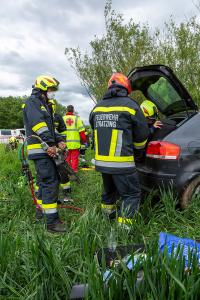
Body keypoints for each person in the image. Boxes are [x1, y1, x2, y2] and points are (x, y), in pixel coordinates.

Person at [89, 72, 149, 226]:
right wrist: (138, 153)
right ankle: (124, 230)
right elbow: (142, 136)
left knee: (109, 192)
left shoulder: (97, 107)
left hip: (102, 163)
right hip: (122, 163)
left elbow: (94, 129)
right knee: (131, 195)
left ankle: (107, 219)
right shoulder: (130, 105)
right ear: (126, 87)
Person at [23, 75, 67, 233]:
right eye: (52, 89)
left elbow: (51, 128)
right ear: (43, 88)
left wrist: (60, 139)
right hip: (41, 150)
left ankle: (40, 211)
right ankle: (52, 223)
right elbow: (39, 126)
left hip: (44, 149)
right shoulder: (33, 103)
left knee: (43, 182)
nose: (53, 92)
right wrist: (50, 145)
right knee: (50, 183)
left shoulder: (44, 104)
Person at [48, 99, 72, 202]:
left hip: (57, 148)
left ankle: (67, 195)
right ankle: (46, 197)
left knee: (63, 171)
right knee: (47, 173)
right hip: (46, 149)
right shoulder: (40, 117)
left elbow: (63, 131)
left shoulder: (57, 117)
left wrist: (62, 144)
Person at [62, 105, 87, 172]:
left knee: (67, 157)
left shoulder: (62, 118)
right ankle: (74, 170)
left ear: (66, 110)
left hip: (64, 142)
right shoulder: (77, 119)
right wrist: (84, 140)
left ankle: (68, 170)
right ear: (73, 110)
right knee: (74, 157)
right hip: (74, 142)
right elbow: (81, 131)